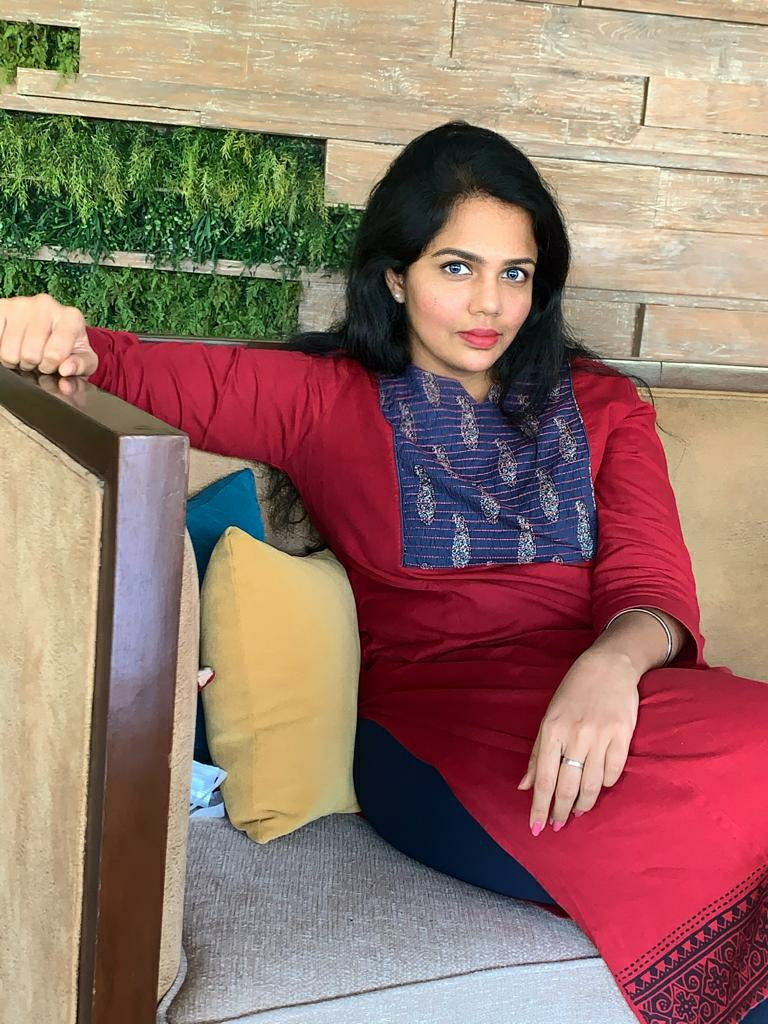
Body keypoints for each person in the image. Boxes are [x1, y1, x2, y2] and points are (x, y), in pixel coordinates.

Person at [1, 120, 766, 1024]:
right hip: (441, 731)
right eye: (457, 267)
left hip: (622, 697)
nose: (489, 305)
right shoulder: (322, 399)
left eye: (514, 274)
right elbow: (123, 368)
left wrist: (611, 666)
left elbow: (651, 578)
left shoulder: (603, 404)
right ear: (397, 276)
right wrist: (49, 328)